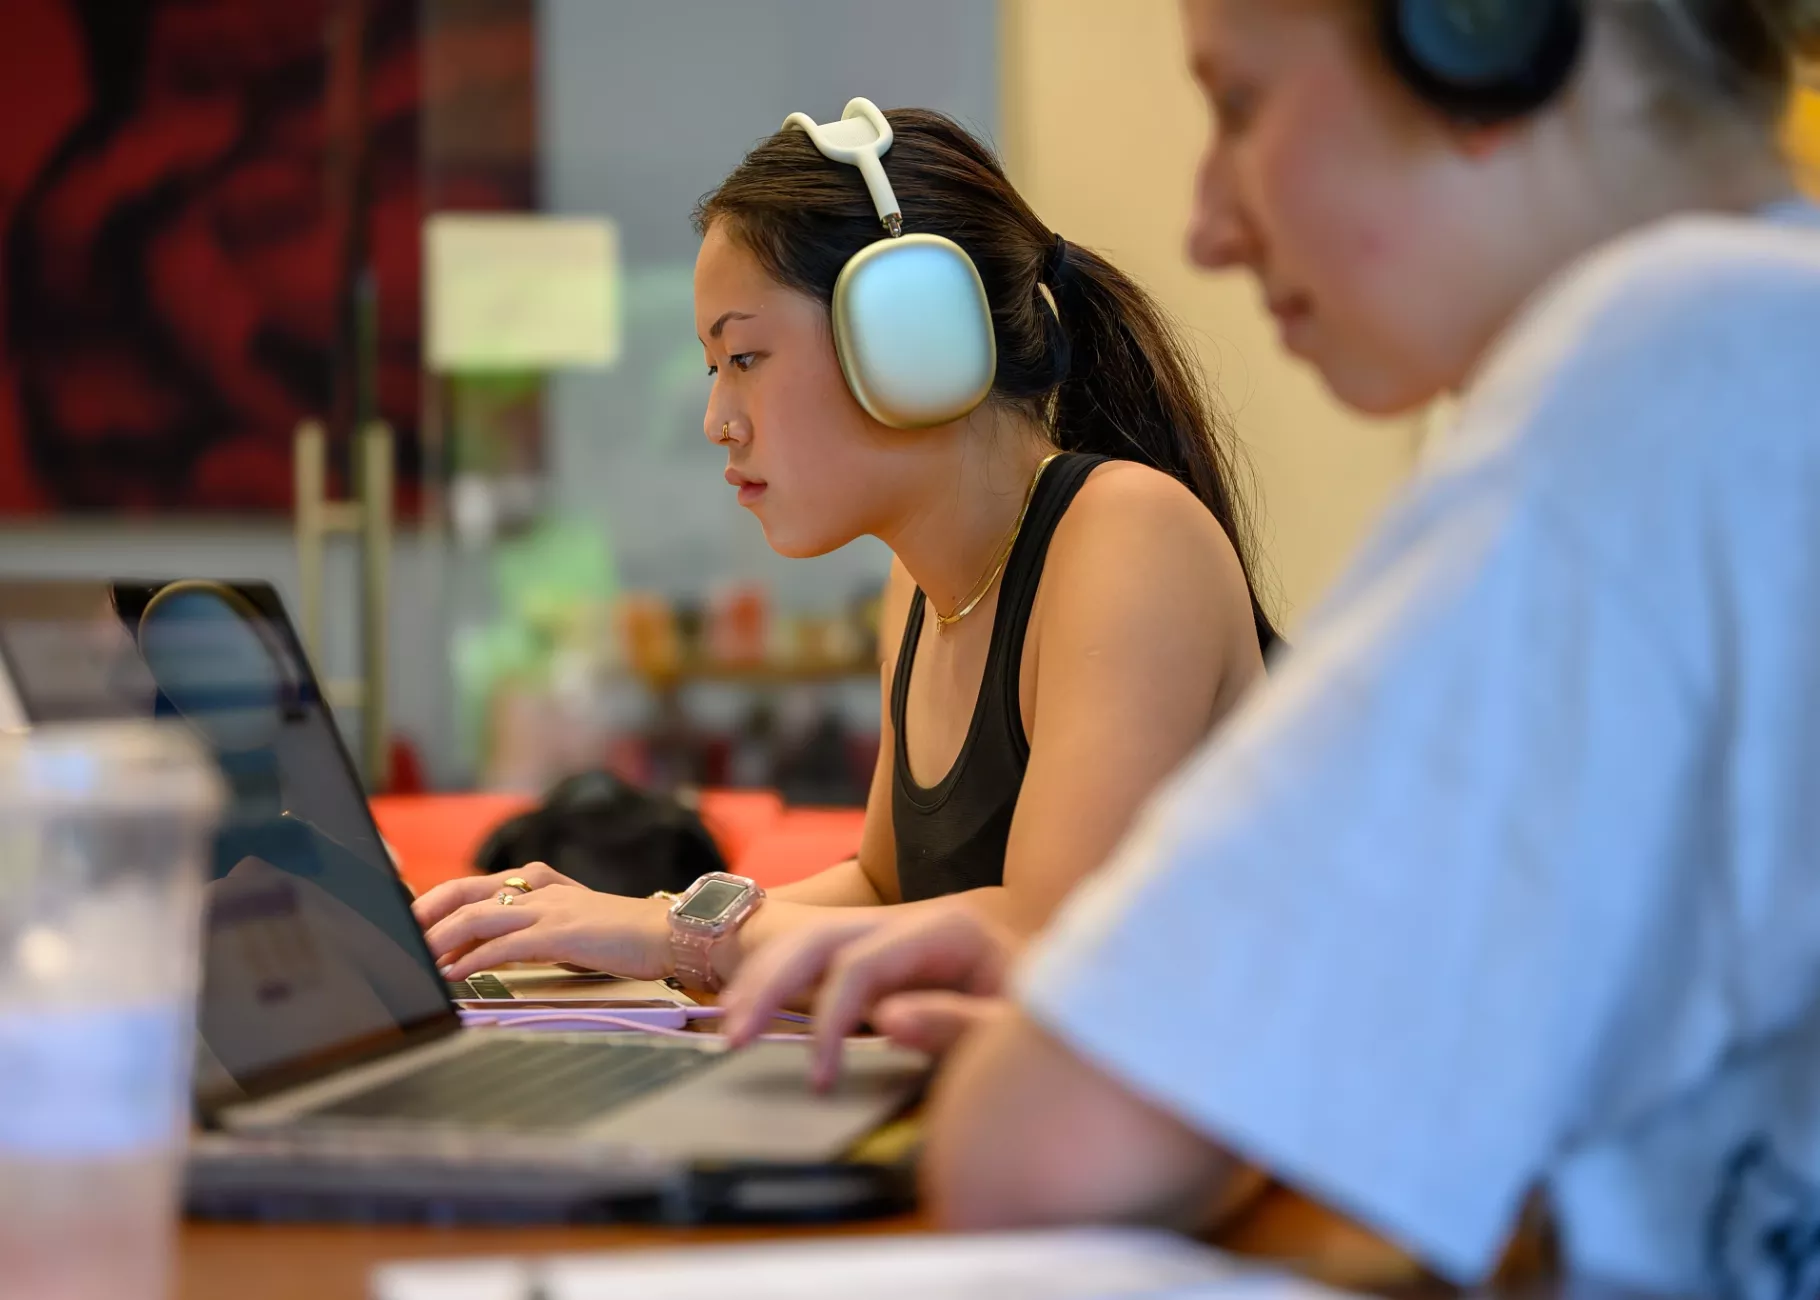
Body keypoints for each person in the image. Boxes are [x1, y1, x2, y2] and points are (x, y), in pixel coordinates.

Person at [721, 1, 1820, 1293]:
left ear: (1478, 35)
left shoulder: (1673, 368)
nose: (1208, 227)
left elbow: (1036, 1154)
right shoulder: (1759, 365)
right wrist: (1158, 1025)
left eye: (1240, 105)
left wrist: (1138, 1046)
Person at [412, 107, 1276, 990]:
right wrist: (630, 925)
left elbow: (1042, 936)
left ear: (912, 336)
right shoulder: (922, 585)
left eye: (744, 357)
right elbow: (881, 890)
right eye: (714, 368)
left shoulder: (1127, 536)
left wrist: (667, 936)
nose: (717, 421)